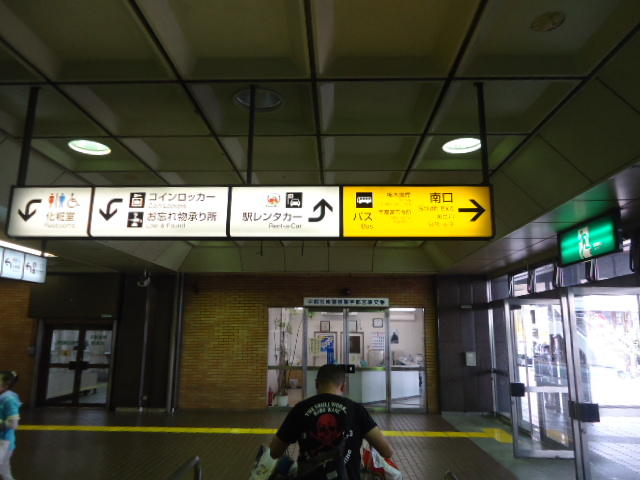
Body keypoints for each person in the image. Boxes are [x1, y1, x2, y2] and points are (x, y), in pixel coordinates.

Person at [269, 364, 393, 479]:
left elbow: (274, 452)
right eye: (323, 430)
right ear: (343, 387)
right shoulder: (356, 410)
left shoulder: (300, 409)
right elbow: (387, 451)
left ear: (316, 384)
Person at [0, 371, 20, 480]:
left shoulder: (9, 399)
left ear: (6, 385)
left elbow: (13, 424)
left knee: (4, 472)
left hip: (3, 442)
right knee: (4, 472)